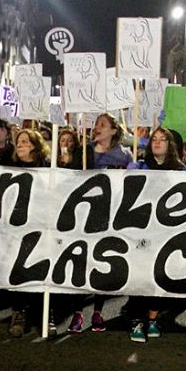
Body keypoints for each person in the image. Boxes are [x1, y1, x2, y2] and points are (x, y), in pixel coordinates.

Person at [67, 113, 133, 333]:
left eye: (102, 125)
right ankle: (77, 313)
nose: (97, 127)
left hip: (110, 215)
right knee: (81, 262)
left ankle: (98, 312)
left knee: (103, 263)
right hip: (84, 214)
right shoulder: (85, 151)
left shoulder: (124, 155)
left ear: (113, 130)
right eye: (96, 124)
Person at [127, 127, 185, 343]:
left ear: (170, 144)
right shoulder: (140, 166)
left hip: (165, 231)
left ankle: (153, 318)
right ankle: (136, 320)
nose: (157, 143)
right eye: (154, 139)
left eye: (162, 139)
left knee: (158, 275)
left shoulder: (180, 169)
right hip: (142, 229)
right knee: (139, 274)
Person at [6, 129, 53, 337]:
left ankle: (45, 314)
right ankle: (18, 313)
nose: (20, 145)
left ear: (35, 146)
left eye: (25, 141)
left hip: (41, 223)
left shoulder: (49, 168)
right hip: (17, 226)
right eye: (18, 141)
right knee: (18, 269)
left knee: (42, 268)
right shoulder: (10, 167)